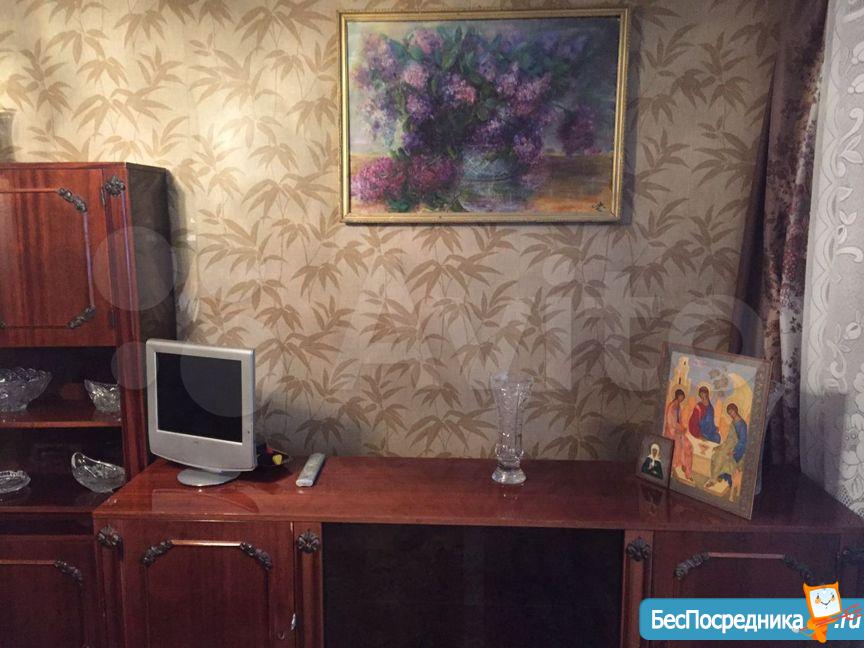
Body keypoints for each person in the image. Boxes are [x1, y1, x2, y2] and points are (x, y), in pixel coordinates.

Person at [705, 403, 748, 493]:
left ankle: (714, 479)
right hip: (730, 444)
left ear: (736, 410)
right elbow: (729, 437)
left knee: (722, 457)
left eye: (732, 412)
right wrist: (721, 446)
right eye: (729, 413)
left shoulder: (742, 424)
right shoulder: (733, 422)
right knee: (716, 455)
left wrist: (734, 451)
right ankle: (716, 476)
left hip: (738, 448)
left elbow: (742, 441)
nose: (731, 414)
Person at [664, 389, 693, 483]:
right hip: (671, 433)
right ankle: (674, 468)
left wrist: (683, 428)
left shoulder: (678, 407)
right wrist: (680, 428)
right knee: (677, 448)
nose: (682, 398)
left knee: (689, 446)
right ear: (678, 396)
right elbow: (671, 423)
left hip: (678, 432)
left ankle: (687, 471)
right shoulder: (672, 406)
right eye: (681, 396)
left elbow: (679, 421)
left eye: (683, 397)